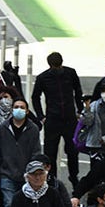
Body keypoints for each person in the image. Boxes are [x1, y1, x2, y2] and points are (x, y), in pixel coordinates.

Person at [31, 52, 83, 189]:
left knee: (72, 150)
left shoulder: (70, 73)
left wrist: (80, 110)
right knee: (50, 152)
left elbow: (78, 91)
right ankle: (52, 179)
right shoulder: (43, 78)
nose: (57, 69)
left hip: (70, 118)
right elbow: (35, 96)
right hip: (53, 119)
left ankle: (74, 177)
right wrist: (41, 116)